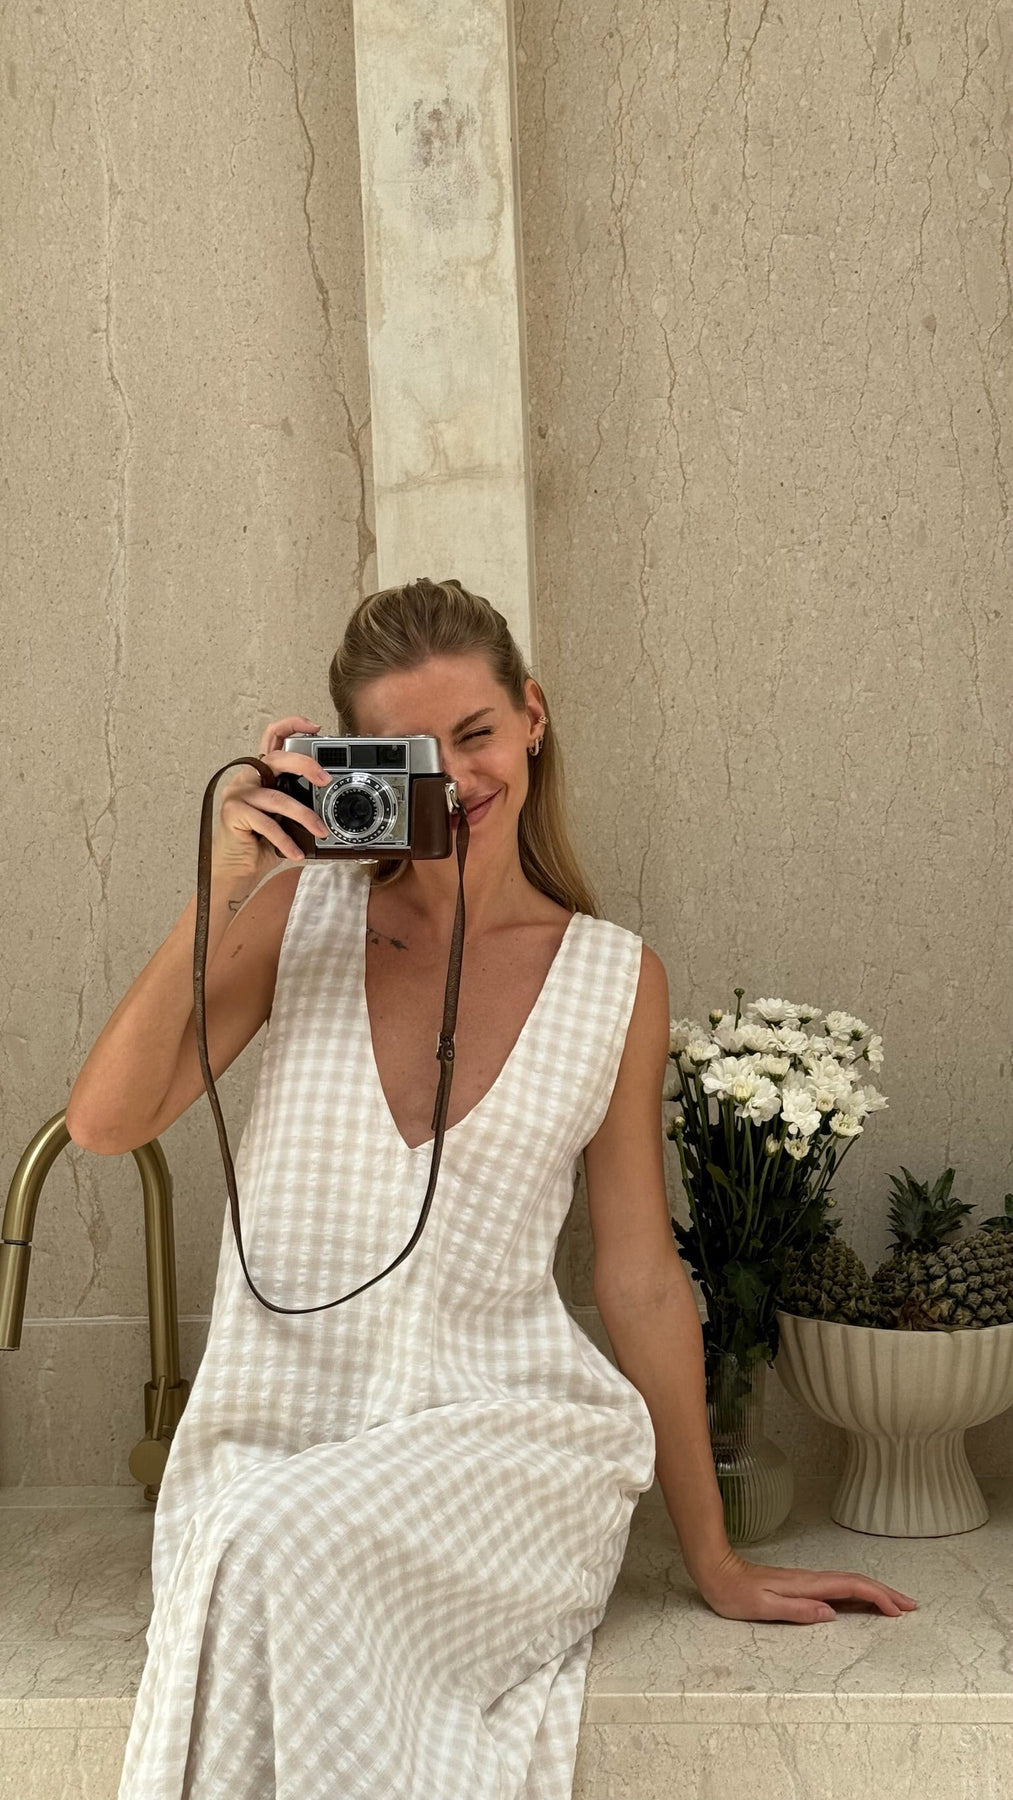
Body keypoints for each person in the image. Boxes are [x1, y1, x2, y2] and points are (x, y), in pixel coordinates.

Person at [66, 577, 916, 1800]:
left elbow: (638, 1279)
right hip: (281, 1442)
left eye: (475, 733)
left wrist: (715, 1558)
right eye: (415, 753)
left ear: (531, 717)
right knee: (264, 1537)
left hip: (509, 1450)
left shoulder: (613, 978)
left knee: (274, 1548)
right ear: (353, 761)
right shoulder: (294, 918)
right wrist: (228, 879)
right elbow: (105, 1124)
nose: (457, 778)